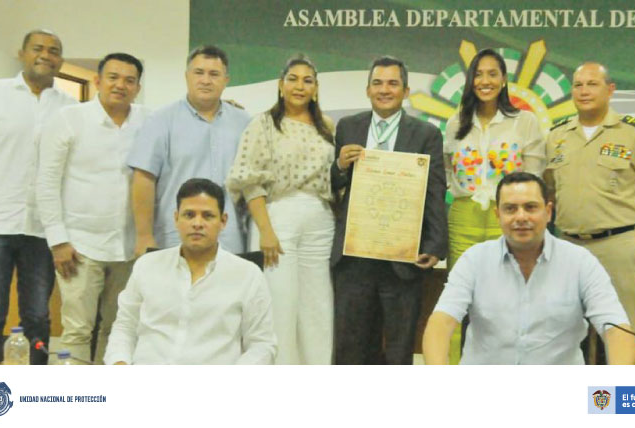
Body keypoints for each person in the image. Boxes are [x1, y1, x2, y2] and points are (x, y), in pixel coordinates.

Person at [0, 30, 77, 364]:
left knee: (38, 318)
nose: (46, 55)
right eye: (38, 48)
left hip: (42, 230)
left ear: (61, 61)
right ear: (21, 53)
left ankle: (31, 400)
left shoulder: (70, 108)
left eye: (54, 51)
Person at [422, 172, 635, 365]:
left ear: (548, 211)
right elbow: (441, 323)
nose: (521, 217)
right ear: (498, 215)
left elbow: (616, 328)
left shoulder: (580, 262)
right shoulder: (474, 260)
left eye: (531, 207)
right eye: (510, 209)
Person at [544, 62, 635, 364]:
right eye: (578, 85)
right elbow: (550, 193)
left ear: (610, 90)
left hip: (618, 249)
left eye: (592, 84)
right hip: (568, 247)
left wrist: (625, 227)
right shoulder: (557, 135)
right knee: (563, 337)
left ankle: (627, 405)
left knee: (623, 334)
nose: (584, 91)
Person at [331, 56, 448, 365]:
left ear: (406, 91)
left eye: (393, 83)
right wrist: (340, 165)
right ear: (368, 90)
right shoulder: (348, 127)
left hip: (402, 257)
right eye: (378, 83)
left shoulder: (426, 134)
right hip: (354, 257)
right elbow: (330, 185)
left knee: (399, 345)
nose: (385, 90)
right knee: (350, 345)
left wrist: (435, 245)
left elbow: (436, 191)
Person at [37, 53, 149, 363]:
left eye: (129, 80)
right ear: (98, 80)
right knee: (77, 330)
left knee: (119, 329)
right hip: (78, 246)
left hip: (129, 249)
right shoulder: (69, 120)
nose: (120, 85)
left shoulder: (148, 121)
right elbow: (46, 182)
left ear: (138, 87)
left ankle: (106, 398)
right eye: (113, 77)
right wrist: (58, 240)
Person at [226, 55, 335, 364]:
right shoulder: (262, 124)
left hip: (320, 221)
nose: (300, 86)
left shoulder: (326, 126)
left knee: (317, 308)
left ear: (315, 88)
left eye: (308, 80)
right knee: (280, 308)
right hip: (278, 219)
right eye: (293, 79)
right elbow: (249, 181)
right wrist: (266, 231)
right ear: (280, 85)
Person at [104, 178, 276, 365]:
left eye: (207, 216)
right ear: (176, 219)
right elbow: (124, 327)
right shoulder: (147, 266)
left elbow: (262, 344)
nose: (197, 223)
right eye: (189, 215)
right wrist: (119, 364)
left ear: (223, 221)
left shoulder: (247, 275)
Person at [127, 45, 250, 258]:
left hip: (230, 237)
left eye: (214, 74)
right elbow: (143, 179)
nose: (205, 80)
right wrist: (144, 235)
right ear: (186, 76)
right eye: (199, 73)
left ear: (226, 80)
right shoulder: (160, 121)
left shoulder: (245, 122)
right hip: (175, 237)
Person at [444, 48, 545, 271]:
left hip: (510, 217)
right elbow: (447, 170)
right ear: (471, 81)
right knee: (462, 290)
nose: (485, 81)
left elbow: (534, 176)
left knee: (510, 289)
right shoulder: (456, 123)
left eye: (492, 74)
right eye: (478, 75)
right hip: (463, 219)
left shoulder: (524, 121)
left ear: (504, 79)